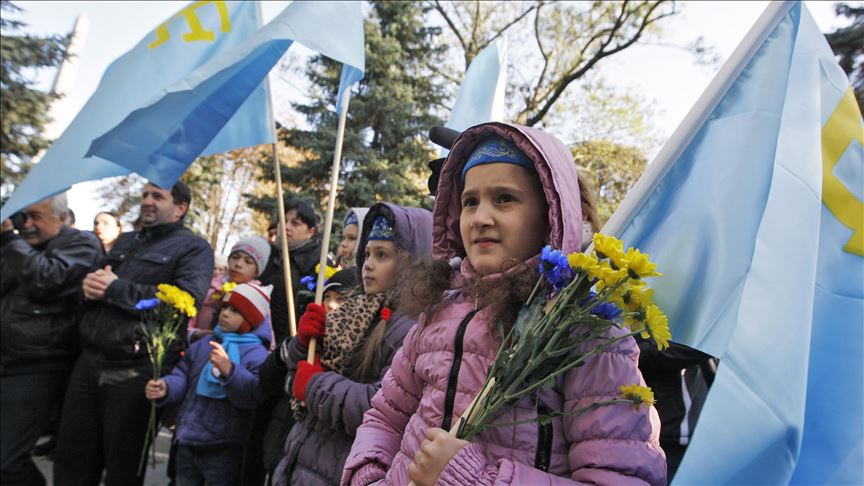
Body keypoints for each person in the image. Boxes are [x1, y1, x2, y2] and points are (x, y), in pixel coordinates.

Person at [342, 123, 666, 485]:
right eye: (470, 202)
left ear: (551, 213)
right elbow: (385, 416)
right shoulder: (440, 309)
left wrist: (472, 478)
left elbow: (623, 479)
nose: (480, 218)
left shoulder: (583, 332)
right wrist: (367, 475)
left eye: (504, 199)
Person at [53, 180, 214, 486]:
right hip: (89, 365)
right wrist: (86, 290)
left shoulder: (194, 249)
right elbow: (94, 283)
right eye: (145, 195)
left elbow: (183, 304)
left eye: (158, 196)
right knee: (71, 463)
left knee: (122, 470)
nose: (148, 201)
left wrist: (117, 289)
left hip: (135, 372)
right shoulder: (125, 241)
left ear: (180, 208)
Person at [267, 202, 433, 485]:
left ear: (412, 264)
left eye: (382, 255)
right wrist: (302, 344)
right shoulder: (354, 308)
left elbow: (381, 406)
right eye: (367, 253)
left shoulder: (411, 330)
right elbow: (305, 368)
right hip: (303, 458)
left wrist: (314, 386)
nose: (367, 264)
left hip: (337, 468)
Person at [0, 193, 103, 485]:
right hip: (8, 357)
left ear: (61, 218)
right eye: (24, 217)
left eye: (36, 217)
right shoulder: (17, 246)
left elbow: (46, 278)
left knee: (6, 462)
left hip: (37, 363)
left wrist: (10, 240)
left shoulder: (80, 243)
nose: (28, 224)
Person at [146, 282, 273, 486]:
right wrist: (167, 387)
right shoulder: (204, 344)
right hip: (189, 437)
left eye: (235, 311)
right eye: (224, 307)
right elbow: (183, 374)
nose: (225, 314)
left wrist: (230, 370)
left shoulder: (256, 354)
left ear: (251, 319)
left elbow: (252, 394)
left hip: (224, 445)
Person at [189, 236, 271, 337]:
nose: (238, 264)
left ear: (257, 271)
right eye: (235, 257)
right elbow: (186, 325)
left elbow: (265, 341)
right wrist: (194, 334)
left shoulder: (258, 303)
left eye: (248, 261)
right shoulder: (209, 291)